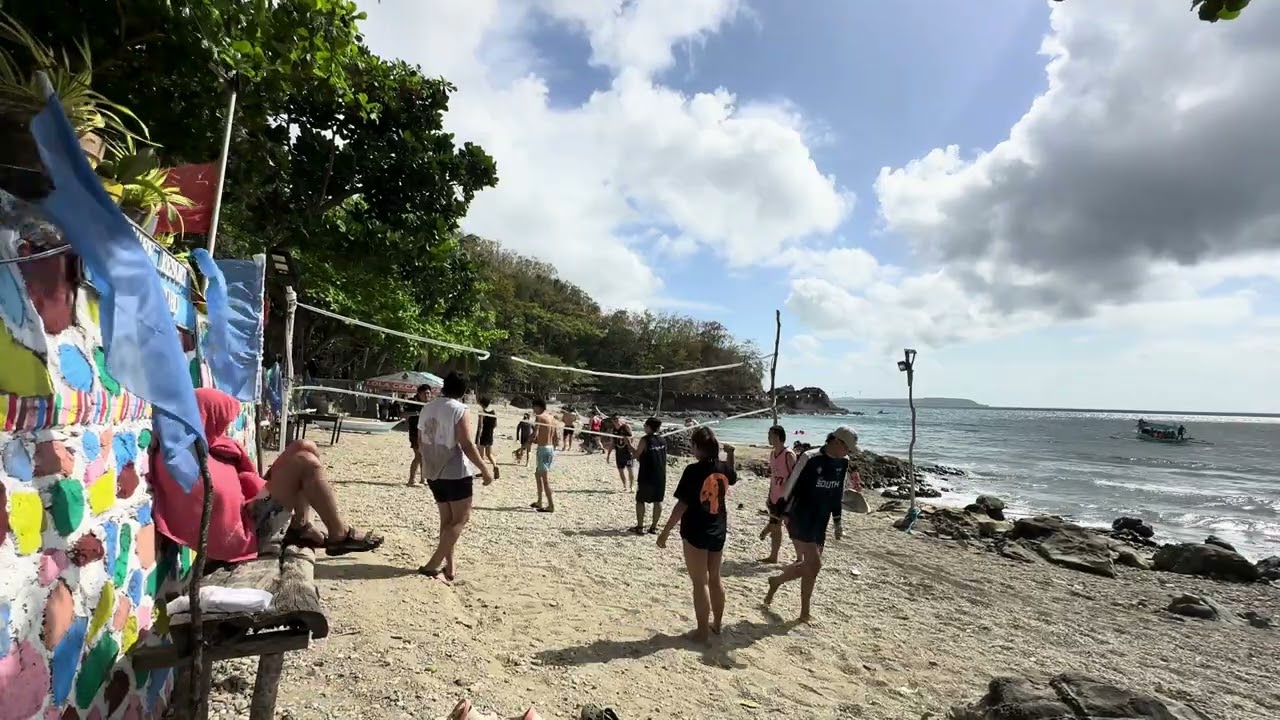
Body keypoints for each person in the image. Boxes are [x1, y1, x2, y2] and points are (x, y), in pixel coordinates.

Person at [152, 387, 383, 563]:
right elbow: (218, 509)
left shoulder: (202, 444)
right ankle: (338, 535)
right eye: (221, 421)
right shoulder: (182, 462)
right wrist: (256, 496)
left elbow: (239, 480)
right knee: (304, 463)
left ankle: (300, 525)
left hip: (248, 513)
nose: (224, 428)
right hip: (244, 533)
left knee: (305, 445)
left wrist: (256, 490)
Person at [764, 426, 857, 623]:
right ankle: (803, 611)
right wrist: (778, 516)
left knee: (810, 568)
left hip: (820, 520)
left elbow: (837, 492)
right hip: (799, 515)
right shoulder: (810, 457)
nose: (849, 453)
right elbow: (789, 486)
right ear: (837, 442)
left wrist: (838, 522)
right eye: (848, 448)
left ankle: (781, 586)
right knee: (815, 563)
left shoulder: (844, 461)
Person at [656, 428, 736, 643]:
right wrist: (731, 454)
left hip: (696, 529)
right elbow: (732, 475)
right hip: (718, 527)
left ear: (698, 447)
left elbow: (682, 505)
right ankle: (717, 625)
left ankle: (702, 632)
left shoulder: (693, 470)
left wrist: (664, 532)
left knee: (700, 583)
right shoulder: (723, 468)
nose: (691, 448)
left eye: (693, 445)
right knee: (715, 578)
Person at [417, 372, 495, 581]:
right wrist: (485, 469)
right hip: (454, 472)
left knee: (447, 521)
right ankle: (433, 564)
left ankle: (450, 568)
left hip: (433, 470)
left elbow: (420, 440)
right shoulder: (459, 409)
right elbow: (467, 443)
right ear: (462, 391)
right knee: (460, 519)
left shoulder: (427, 407)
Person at [758, 424, 798, 563]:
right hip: (774, 496)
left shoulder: (788, 455)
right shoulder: (772, 454)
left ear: (778, 437)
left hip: (786, 497)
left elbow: (795, 477)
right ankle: (773, 556)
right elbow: (773, 477)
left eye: (771, 435)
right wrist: (769, 495)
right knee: (776, 526)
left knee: (789, 527)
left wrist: (790, 498)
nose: (768, 437)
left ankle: (800, 558)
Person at [633, 418, 667, 535]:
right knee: (658, 501)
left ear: (648, 427)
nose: (643, 427)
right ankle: (653, 527)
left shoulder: (645, 440)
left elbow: (636, 455)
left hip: (647, 475)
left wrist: (628, 444)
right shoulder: (663, 440)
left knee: (640, 500)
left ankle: (640, 526)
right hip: (660, 475)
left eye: (644, 425)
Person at [531, 398, 558, 512]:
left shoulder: (540, 417)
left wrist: (526, 443)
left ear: (538, 406)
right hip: (550, 448)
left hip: (543, 449)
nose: (533, 410)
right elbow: (556, 436)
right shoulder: (552, 418)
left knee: (545, 479)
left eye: (534, 407)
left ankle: (551, 505)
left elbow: (534, 435)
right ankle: (539, 500)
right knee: (538, 474)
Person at [405, 384, 433, 487]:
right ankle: (411, 480)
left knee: (424, 457)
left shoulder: (430, 404)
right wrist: (416, 413)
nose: (427, 396)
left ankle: (423, 479)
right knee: (418, 456)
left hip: (427, 433)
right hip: (414, 433)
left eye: (429, 393)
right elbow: (403, 415)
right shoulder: (412, 402)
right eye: (425, 393)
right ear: (419, 393)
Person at [613, 417, 635, 491]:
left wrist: (630, 447)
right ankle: (624, 486)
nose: (616, 422)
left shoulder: (626, 427)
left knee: (630, 469)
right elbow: (612, 443)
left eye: (617, 420)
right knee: (620, 470)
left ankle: (631, 486)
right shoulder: (614, 430)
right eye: (614, 421)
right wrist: (609, 454)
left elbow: (632, 437)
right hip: (619, 453)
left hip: (627, 453)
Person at [475, 395, 498, 466]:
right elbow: (495, 425)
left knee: (481, 456)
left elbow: (480, 426)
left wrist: (478, 438)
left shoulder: (482, 412)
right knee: (489, 454)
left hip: (483, 435)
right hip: (490, 435)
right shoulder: (493, 412)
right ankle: (495, 466)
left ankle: (483, 472)